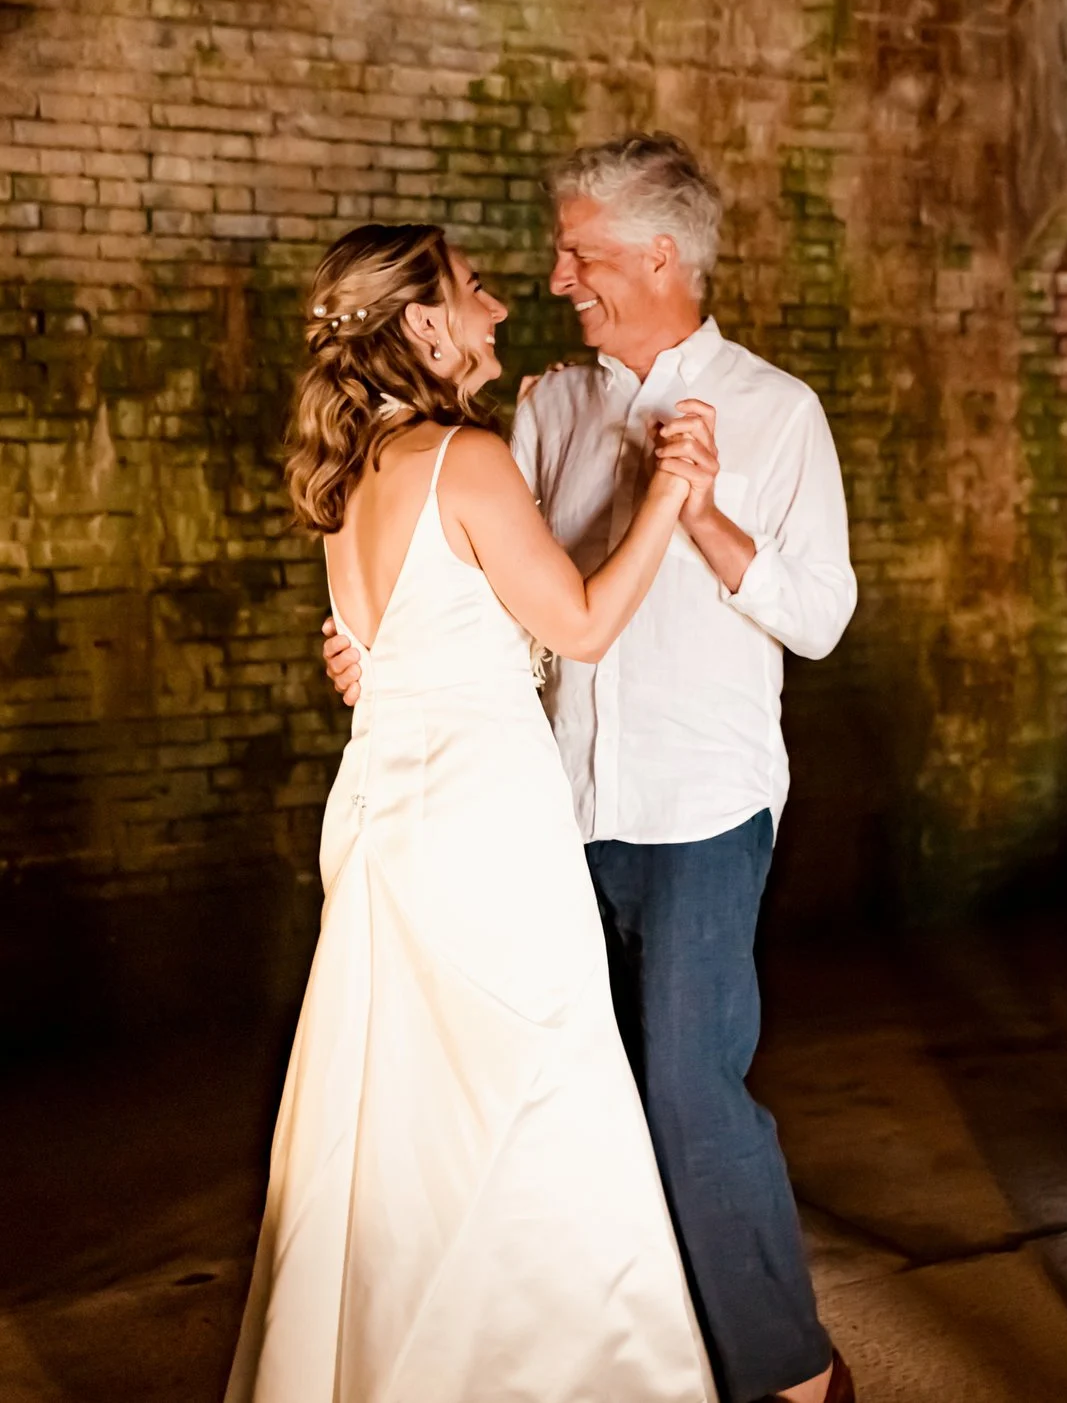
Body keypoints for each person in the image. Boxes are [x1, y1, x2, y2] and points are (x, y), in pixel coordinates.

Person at [323, 139, 858, 1403]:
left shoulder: (777, 411)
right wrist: (384, 652)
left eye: (583, 253)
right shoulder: (549, 406)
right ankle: (644, 1355)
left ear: (662, 255)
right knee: (590, 1104)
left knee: (686, 1080)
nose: (557, 275)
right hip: (553, 806)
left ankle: (790, 1373)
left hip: (700, 804)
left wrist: (706, 507)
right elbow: (516, 599)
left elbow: (822, 616)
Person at [233, 225, 716, 1402]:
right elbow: (584, 625)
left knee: (399, 1122)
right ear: (424, 323)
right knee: (538, 1097)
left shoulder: (348, 474)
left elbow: (380, 650)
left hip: (388, 819)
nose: (500, 310)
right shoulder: (466, 456)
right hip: (487, 827)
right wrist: (672, 493)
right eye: (476, 291)